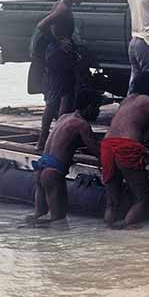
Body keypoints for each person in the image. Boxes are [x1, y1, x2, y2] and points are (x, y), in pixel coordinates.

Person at [101, 72, 149, 229]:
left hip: (107, 145)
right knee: (141, 198)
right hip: (127, 147)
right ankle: (129, 236)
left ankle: (107, 234)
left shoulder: (126, 100)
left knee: (112, 201)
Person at [29, 89, 103, 224]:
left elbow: (65, 143)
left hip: (41, 167)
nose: (98, 112)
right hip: (53, 172)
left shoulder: (63, 117)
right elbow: (96, 151)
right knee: (58, 220)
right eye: (97, 108)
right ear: (89, 107)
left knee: (39, 215)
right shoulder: (82, 124)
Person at [35, 0, 90, 151]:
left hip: (57, 56)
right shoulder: (63, 9)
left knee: (59, 98)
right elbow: (42, 25)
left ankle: (50, 139)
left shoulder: (61, 4)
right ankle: (50, 141)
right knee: (60, 99)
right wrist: (58, 41)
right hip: (59, 57)